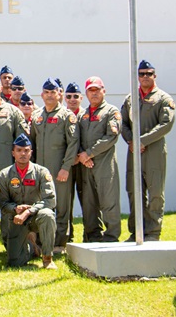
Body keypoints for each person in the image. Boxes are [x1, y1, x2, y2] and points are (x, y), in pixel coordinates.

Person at [121, 60, 176, 241]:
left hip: (154, 151)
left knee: (155, 193)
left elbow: (166, 124)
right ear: (137, 76)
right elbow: (123, 123)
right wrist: (131, 140)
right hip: (134, 151)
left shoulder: (163, 98)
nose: (145, 77)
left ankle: (152, 232)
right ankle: (136, 231)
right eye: (142, 73)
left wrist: (142, 141)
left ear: (155, 76)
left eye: (149, 73)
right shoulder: (131, 99)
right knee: (134, 191)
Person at [30, 77, 79, 253]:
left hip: (60, 170)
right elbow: (31, 144)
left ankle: (60, 243)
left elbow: (73, 143)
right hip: (41, 172)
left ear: (59, 94)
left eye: (53, 92)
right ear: (42, 95)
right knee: (42, 206)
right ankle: (43, 240)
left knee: (62, 207)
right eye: (47, 92)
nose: (50, 95)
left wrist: (66, 168)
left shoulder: (67, 116)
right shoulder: (37, 117)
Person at [0, 134, 57, 269]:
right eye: (19, 150)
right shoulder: (4, 175)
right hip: (15, 219)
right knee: (15, 262)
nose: (22, 153)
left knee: (47, 214)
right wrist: (15, 208)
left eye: (26, 150)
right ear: (13, 153)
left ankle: (47, 258)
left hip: (36, 217)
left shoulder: (42, 172)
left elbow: (50, 200)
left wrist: (30, 211)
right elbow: (2, 202)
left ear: (31, 153)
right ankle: (31, 247)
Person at [78, 76, 122, 242]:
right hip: (86, 165)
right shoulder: (83, 115)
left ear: (104, 91)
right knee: (89, 202)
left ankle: (111, 236)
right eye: (91, 90)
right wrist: (83, 155)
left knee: (108, 200)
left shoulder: (111, 112)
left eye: (97, 90)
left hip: (104, 164)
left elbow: (111, 136)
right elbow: (77, 138)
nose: (94, 93)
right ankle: (93, 236)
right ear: (86, 93)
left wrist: (89, 153)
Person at [64, 82, 85, 241]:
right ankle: (67, 236)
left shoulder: (86, 115)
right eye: (69, 96)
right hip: (67, 165)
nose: (72, 100)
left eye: (75, 96)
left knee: (88, 201)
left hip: (85, 164)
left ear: (81, 98)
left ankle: (91, 235)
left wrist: (81, 156)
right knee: (66, 201)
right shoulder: (61, 115)